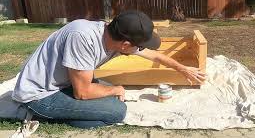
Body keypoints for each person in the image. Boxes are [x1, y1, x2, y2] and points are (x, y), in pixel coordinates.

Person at [12, 10, 206, 129]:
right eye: (138, 46)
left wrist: (183, 69)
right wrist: (115, 89)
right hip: (40, 95)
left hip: (65, 83)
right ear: (126, 44)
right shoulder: (83, 38)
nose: (140, 49)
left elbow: (155, 55)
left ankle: (72, 113)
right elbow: (83, 92)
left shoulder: (113, 34)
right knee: (117, 111)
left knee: (109, 97)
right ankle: (46, 115)